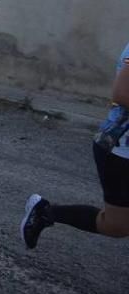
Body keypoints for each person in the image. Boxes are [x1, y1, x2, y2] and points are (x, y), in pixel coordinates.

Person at [21, 44, 129, 248]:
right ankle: (45, 213)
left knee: (119, 226)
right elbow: (123, 92)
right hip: (120, 150)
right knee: (116, 225)